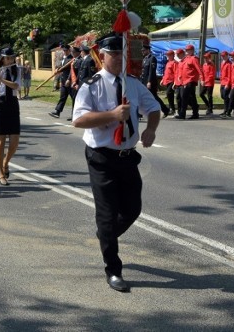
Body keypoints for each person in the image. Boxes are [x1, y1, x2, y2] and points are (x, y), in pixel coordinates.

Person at [72, 32, 161, 293]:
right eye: (113, 54)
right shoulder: (92, 85)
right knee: (107, 216)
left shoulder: (132, 83)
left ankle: (106, 236)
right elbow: (78, 120)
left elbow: (153, 107)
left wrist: (151, 129)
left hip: (127, 156)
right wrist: (111, 115)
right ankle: (113, 269)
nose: (119, 58)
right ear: (102, 56)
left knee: (132, 209)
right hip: (101, 157)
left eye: (122, 54)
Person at [0, 46, 21, 186]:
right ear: (2, 58)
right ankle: (0, 172)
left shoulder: (17, 70)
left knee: (14, 140)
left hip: (12, 103)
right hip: (0, 104)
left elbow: (15, 86)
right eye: (7, 58)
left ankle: (5, 162)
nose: (10, 60)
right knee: (0, 140)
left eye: (12, 57)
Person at [140, 43, 169, 117]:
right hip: (144, 81)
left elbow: (151, 71)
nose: (142, 52)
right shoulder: (145, 59)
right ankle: (142, 112)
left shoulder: (152, 58)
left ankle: (165, 109)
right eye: (142, 50)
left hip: (150, 82)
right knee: (142, 97)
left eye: (144, 50)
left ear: (148, 50)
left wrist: (149, 81)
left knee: (154, 97)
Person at [175, 44, 203, 120]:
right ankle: (195, 113)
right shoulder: (186, 59)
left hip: (191, 80)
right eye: (186, 50)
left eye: (189, 50)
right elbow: (183, 69)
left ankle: (182, 114)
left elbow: (199, 68)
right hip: (185, 81)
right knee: (192, 98)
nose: (187, 52)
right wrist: (180, 77)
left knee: (184, 97)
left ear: (193, 51)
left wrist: (202, 78)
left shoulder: (194, 59)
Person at [48, 44, 73, 119]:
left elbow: (71, 70)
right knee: (63, 97)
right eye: (63, 50)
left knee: (74, 98)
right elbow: (61, 67)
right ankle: (57, 112)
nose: (64, 52)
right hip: (63, 81)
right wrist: (57, 69)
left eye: (66, 50)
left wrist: (69, 79)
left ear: (69, 50)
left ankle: (74, 115)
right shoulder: (64, 58)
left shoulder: (71, 59)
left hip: (70, 81)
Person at [159, 50, 176, 115]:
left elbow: (176, 72)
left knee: (169, 93)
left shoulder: (174, 63)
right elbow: (166, 72)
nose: (167, 56)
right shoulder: (168, 63)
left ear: (172, 55)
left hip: (172, 81)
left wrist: (175, 82)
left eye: (169, 55)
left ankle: (172, 108)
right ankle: (172, 108)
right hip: (167, 80)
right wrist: (163, 80)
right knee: (169, 95)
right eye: (167, 55)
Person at [218, 51, 232, 117]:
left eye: (224, 56)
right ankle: (233, 105)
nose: (223, 57)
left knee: (225, 96)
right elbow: (221, 72)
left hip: (226, 82)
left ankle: (226, 110)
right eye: (222, 56)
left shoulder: (229, 64)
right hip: (222, 82)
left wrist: (228, 83)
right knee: (222, 96)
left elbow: (230, 75)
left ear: (227, 56)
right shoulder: (222, 63)